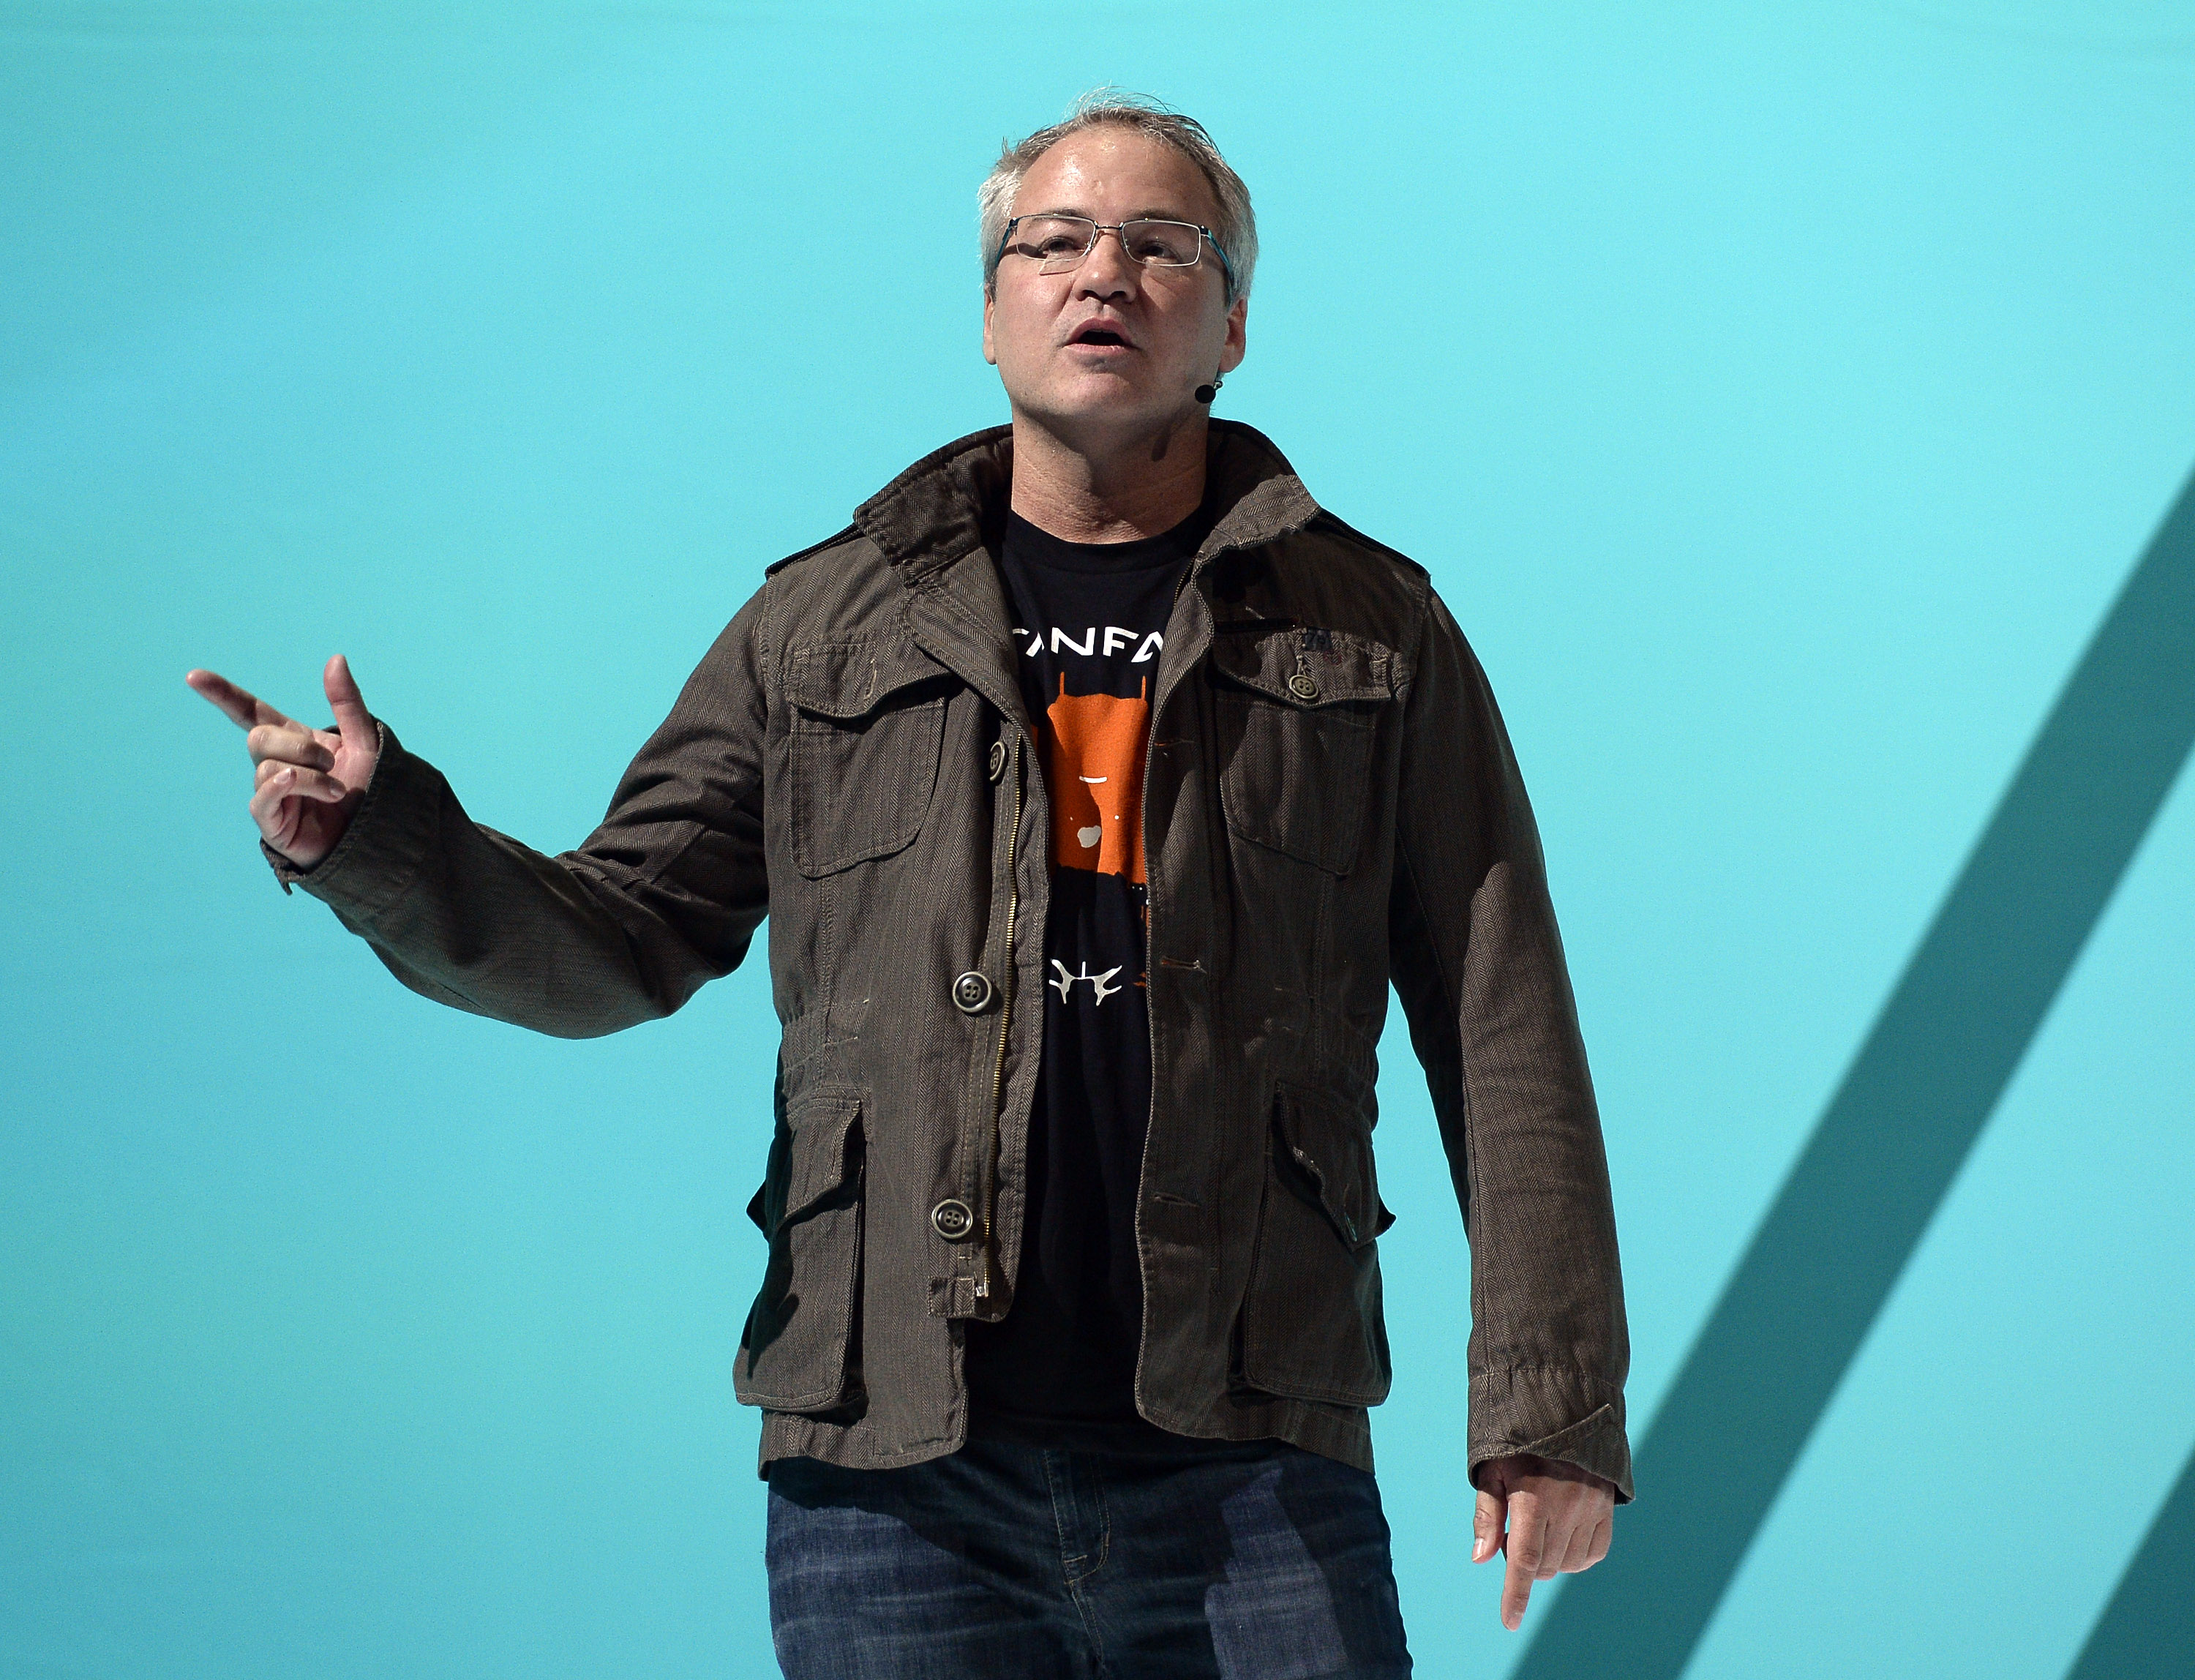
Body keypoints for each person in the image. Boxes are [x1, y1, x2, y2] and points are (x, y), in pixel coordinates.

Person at [190, 92, 1630, 1679]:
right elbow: (621, 935)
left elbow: (1506, 1030)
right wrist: (387, 840)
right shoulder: (818, 629)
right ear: (991, 310)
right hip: (891, 1475)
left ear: (1232, 324)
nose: (1106, 275)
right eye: (1056, 241)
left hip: (1252, 1447)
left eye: (1166, 247)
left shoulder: (1373, 635)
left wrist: (1548, 1409)